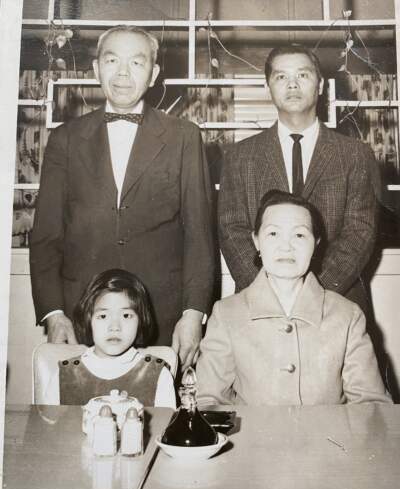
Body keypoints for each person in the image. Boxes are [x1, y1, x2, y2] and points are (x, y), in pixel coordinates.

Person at [30, 25, 215, 368]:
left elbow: (199, 236)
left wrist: (193, 315)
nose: (123, 74)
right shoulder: (65, 140)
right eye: (112, 60)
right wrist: (54, 314)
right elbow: (45, 237)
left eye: (137, 62)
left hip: (162, 315)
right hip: (80, 315)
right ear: (97, 67)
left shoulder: (184, 137)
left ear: (154, 73)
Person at [218, 44, 380, 314]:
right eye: (281, 77)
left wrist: (312, 295)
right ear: (268, 87)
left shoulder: (355, 154)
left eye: (302, 75)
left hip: (337, 303)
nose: (292, 84)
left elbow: (360, 232)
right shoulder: (239, 156)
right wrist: (269, 292)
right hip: (258, 306)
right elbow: (231, 230)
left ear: (320, 86)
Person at [196, 191, 391, 406]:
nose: (286, 246)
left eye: (299, 235)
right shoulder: (227, 314)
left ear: (316, 243)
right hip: (253, 439)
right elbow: (209, 403)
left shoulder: (347, 316)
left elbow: (372, 407)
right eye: (273, 234)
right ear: (256, 241)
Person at [37, 269, 176, 407]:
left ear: (141, 321)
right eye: (103, 316)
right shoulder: (62, 376)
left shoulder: (159, 375)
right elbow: (47, 428)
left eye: (126, 315)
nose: (114, 327)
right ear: (88, 320)